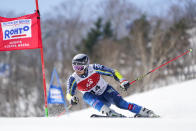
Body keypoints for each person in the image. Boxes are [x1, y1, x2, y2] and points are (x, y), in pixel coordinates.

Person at [66, 54, 158, 117]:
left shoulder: (94, 68)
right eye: (74, 67)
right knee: (86, 96)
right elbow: (68, 94)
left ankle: (146, 112)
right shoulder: (73, 78)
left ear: (86, 66)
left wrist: (122, 81)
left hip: (106, 91)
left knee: (121, 104)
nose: (77, 70)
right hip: (97, 100)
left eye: (79, 67)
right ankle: (110, 113)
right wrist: (71, 99)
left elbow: (113, 72)